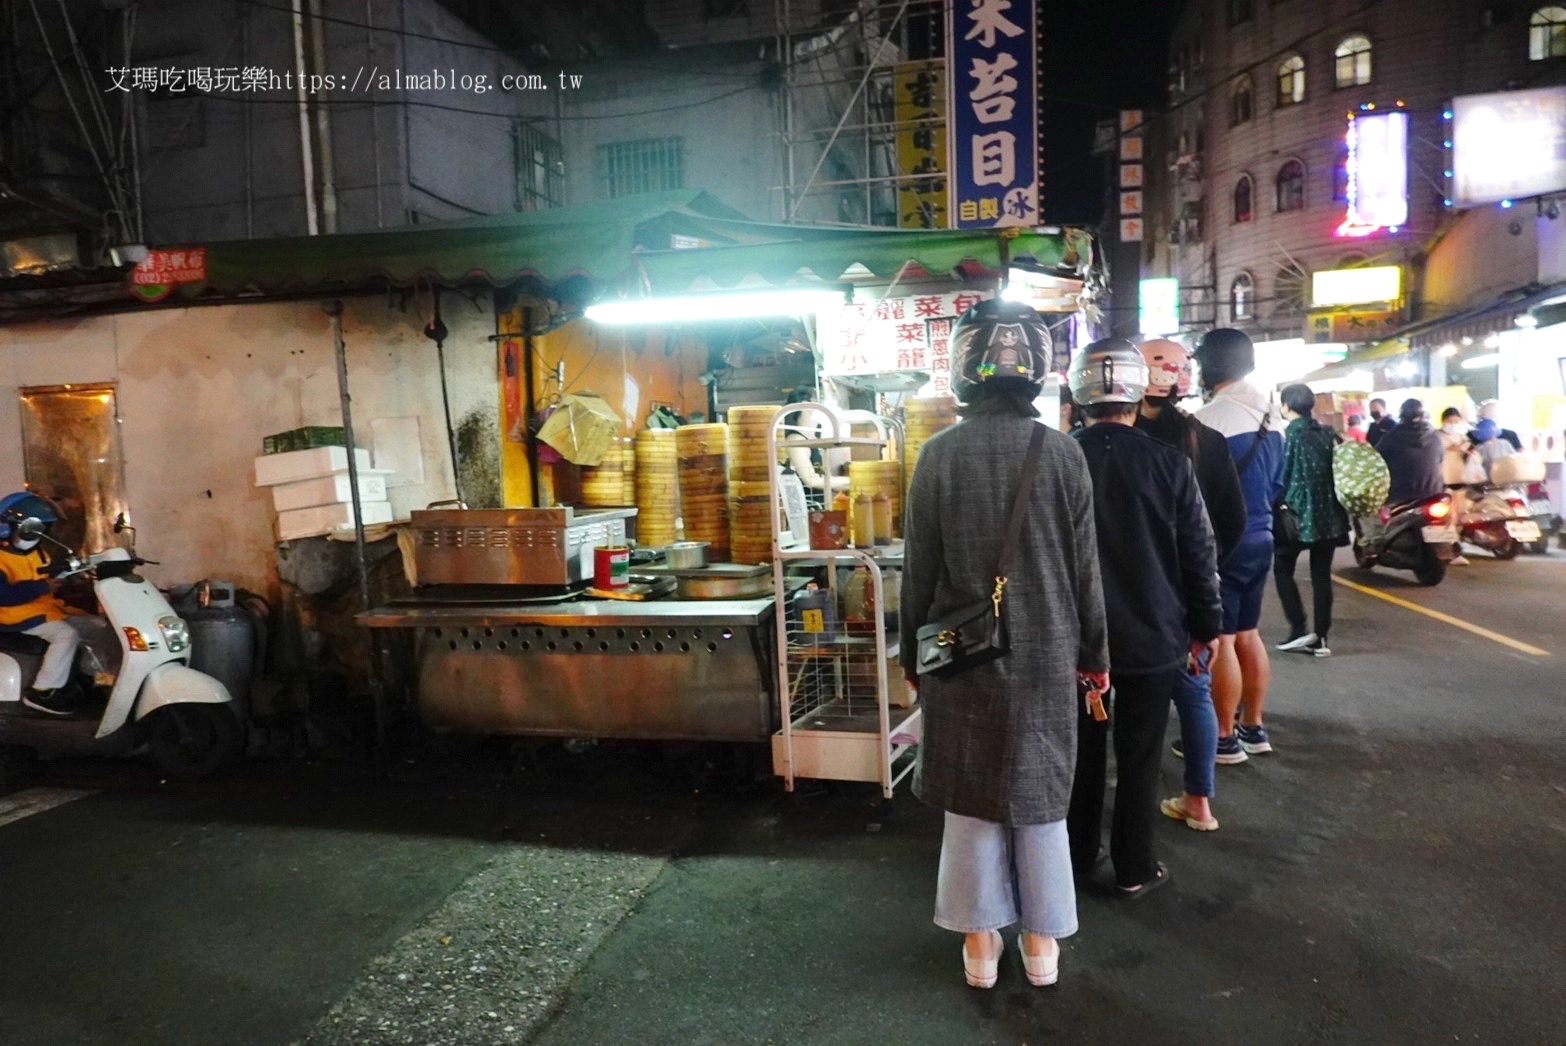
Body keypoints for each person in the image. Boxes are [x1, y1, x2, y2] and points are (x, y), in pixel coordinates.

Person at [901, 300, 1109, 990]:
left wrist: (912, 661)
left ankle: (980, 947)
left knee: (970, 795)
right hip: (1049, 653)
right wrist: (1096, 661)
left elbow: (919, 575)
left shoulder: (935, 457)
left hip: (960, 656)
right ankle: (1043, 945)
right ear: (1040, 372)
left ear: (964, 368)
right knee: (1042, 796)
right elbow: (1086, 574)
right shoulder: (1063, 454)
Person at [1067, 339, 1222, 891]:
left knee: (1081, 756)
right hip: (1153, 635)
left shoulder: (1060, 460)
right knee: (1140, 754)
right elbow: (1198, 554)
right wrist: (1207, 627)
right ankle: (1134, 867)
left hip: (1076, 641)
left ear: (1079, 392)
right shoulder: (1170, 463)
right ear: (1137, 392)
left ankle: (1076, 858)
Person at [1134, 338, 1243, 831]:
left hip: (1122, 592)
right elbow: (1232, 522)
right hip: (1185, 591)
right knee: (1192, 692)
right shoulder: (1208, 442)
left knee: (1117, 695)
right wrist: (1203, 574)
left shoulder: (1112, 440)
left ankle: (1124, 798)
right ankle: (1199, 802)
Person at [1193, 329, 1284, 763]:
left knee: (1223, 639)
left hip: (1227, 540)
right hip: (1263, 535)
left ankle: (1225, 737)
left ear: (1210, 365)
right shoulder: (1272, 416)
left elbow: (1193, 490)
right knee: (1249, 633)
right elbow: (1277, 482)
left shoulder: (1211, 419)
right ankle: (1255, 726)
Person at [1273, 384, 1351, 658]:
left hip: (1295, 515)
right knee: (1321, 575)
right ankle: (1321, 638)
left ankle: (1298, 630)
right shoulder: (1328, 433)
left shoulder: (1286, 437)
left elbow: (1279, 476)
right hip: (1329, 515)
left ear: (1286, 406)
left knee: (1282, 569)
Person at [0, 492, 84, 716]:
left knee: (93, 625)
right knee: (66, 635)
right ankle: (43, 691)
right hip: (13, 617)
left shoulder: (38, 553)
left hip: (42, 609)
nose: (41, 535)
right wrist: (43, 586)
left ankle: (78, 681)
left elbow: (42, 574)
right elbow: (4, 595)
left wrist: (69, 574)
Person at [1376, 399, 1444, 506]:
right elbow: (1440, 460)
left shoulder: (1392, 436)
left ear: (1401, 415)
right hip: (1433, 494)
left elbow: (1376, 459)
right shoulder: (1434, 435)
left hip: (1400, 498)